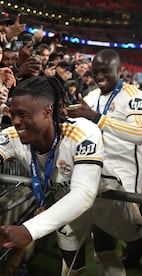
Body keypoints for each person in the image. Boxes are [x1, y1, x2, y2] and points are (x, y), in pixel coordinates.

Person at [0, 76, 142, 275]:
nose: (15, 122)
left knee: (126, 242)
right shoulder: (13, 135)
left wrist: (29, 229)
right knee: (72, 264)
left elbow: (84, 193)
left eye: (22, 114)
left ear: (47, 111)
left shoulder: (82, 132)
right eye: (12, 114)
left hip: (107, 198)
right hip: (65, 203)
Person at [67, 48, 142, 270]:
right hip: (100, 176)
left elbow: (139, 133)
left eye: (105, 72)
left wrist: (98, 118)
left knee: (129, 233)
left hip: (129, 181)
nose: (99, 77)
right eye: (95, 72)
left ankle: (133, 255)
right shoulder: (91, 97)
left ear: (119, 69)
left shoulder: (133, 96)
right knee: (103, 236)